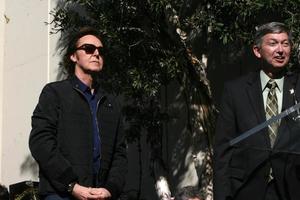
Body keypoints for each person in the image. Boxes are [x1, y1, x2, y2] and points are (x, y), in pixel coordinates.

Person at [29, 27, 127, 200]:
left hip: (100, 195)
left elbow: (119, 154)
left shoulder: (111, 103)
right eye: (89, 49)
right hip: (60, 194)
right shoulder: (55, 93)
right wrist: (71, 185)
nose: (96, 53)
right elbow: (41, 142)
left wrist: (110, 189)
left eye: (100, 51)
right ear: (73, 56)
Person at [213, 22, 300, 200]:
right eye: (273, 43)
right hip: (246, 189)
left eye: (285, 43)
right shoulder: (235, 90)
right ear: (257, 50)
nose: (280, 50)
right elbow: (223, 149)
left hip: (292, 189)